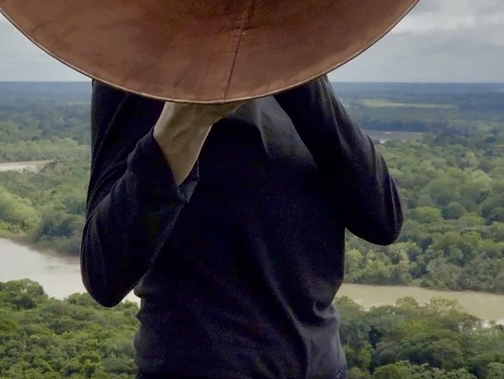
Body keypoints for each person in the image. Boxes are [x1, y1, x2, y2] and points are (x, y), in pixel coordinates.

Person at [80, 74, 404, 379]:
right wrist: (183, 126)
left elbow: (382, 221)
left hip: (322, 366)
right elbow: (104, 274)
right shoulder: (133, 72)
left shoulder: (302, 79)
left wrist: (301, 71)